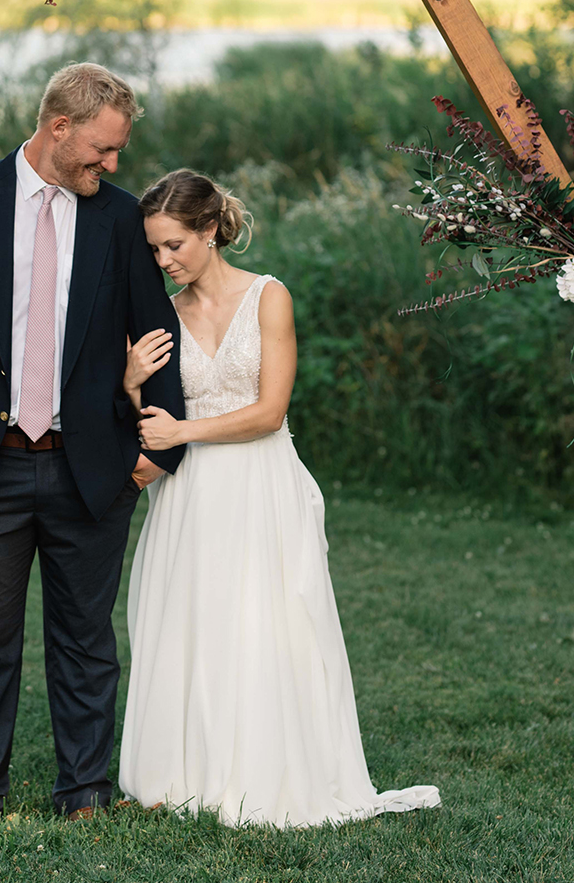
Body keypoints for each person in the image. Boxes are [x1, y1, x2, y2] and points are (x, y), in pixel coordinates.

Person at [0, 63, 186, 827]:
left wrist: (156, 453)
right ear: (58, 128)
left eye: (118, 152)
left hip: (92, 466)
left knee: (86, 641)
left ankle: (84, 792)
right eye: (103, 149)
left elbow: (159, 331)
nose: (113, 165)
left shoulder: (121, 218)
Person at [119, 168, 439, 828]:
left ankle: (269, 771)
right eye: (154, 249)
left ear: (210, 231)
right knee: (191, 624)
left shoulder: (269, 297)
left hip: (260, 484)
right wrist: (129, 385)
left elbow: (269, 412)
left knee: (266, 624)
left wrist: (187, 430)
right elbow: (149, 420)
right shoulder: (162, 316)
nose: (164, 260)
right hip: (188, 496)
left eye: (174, 244)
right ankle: (187, 773)